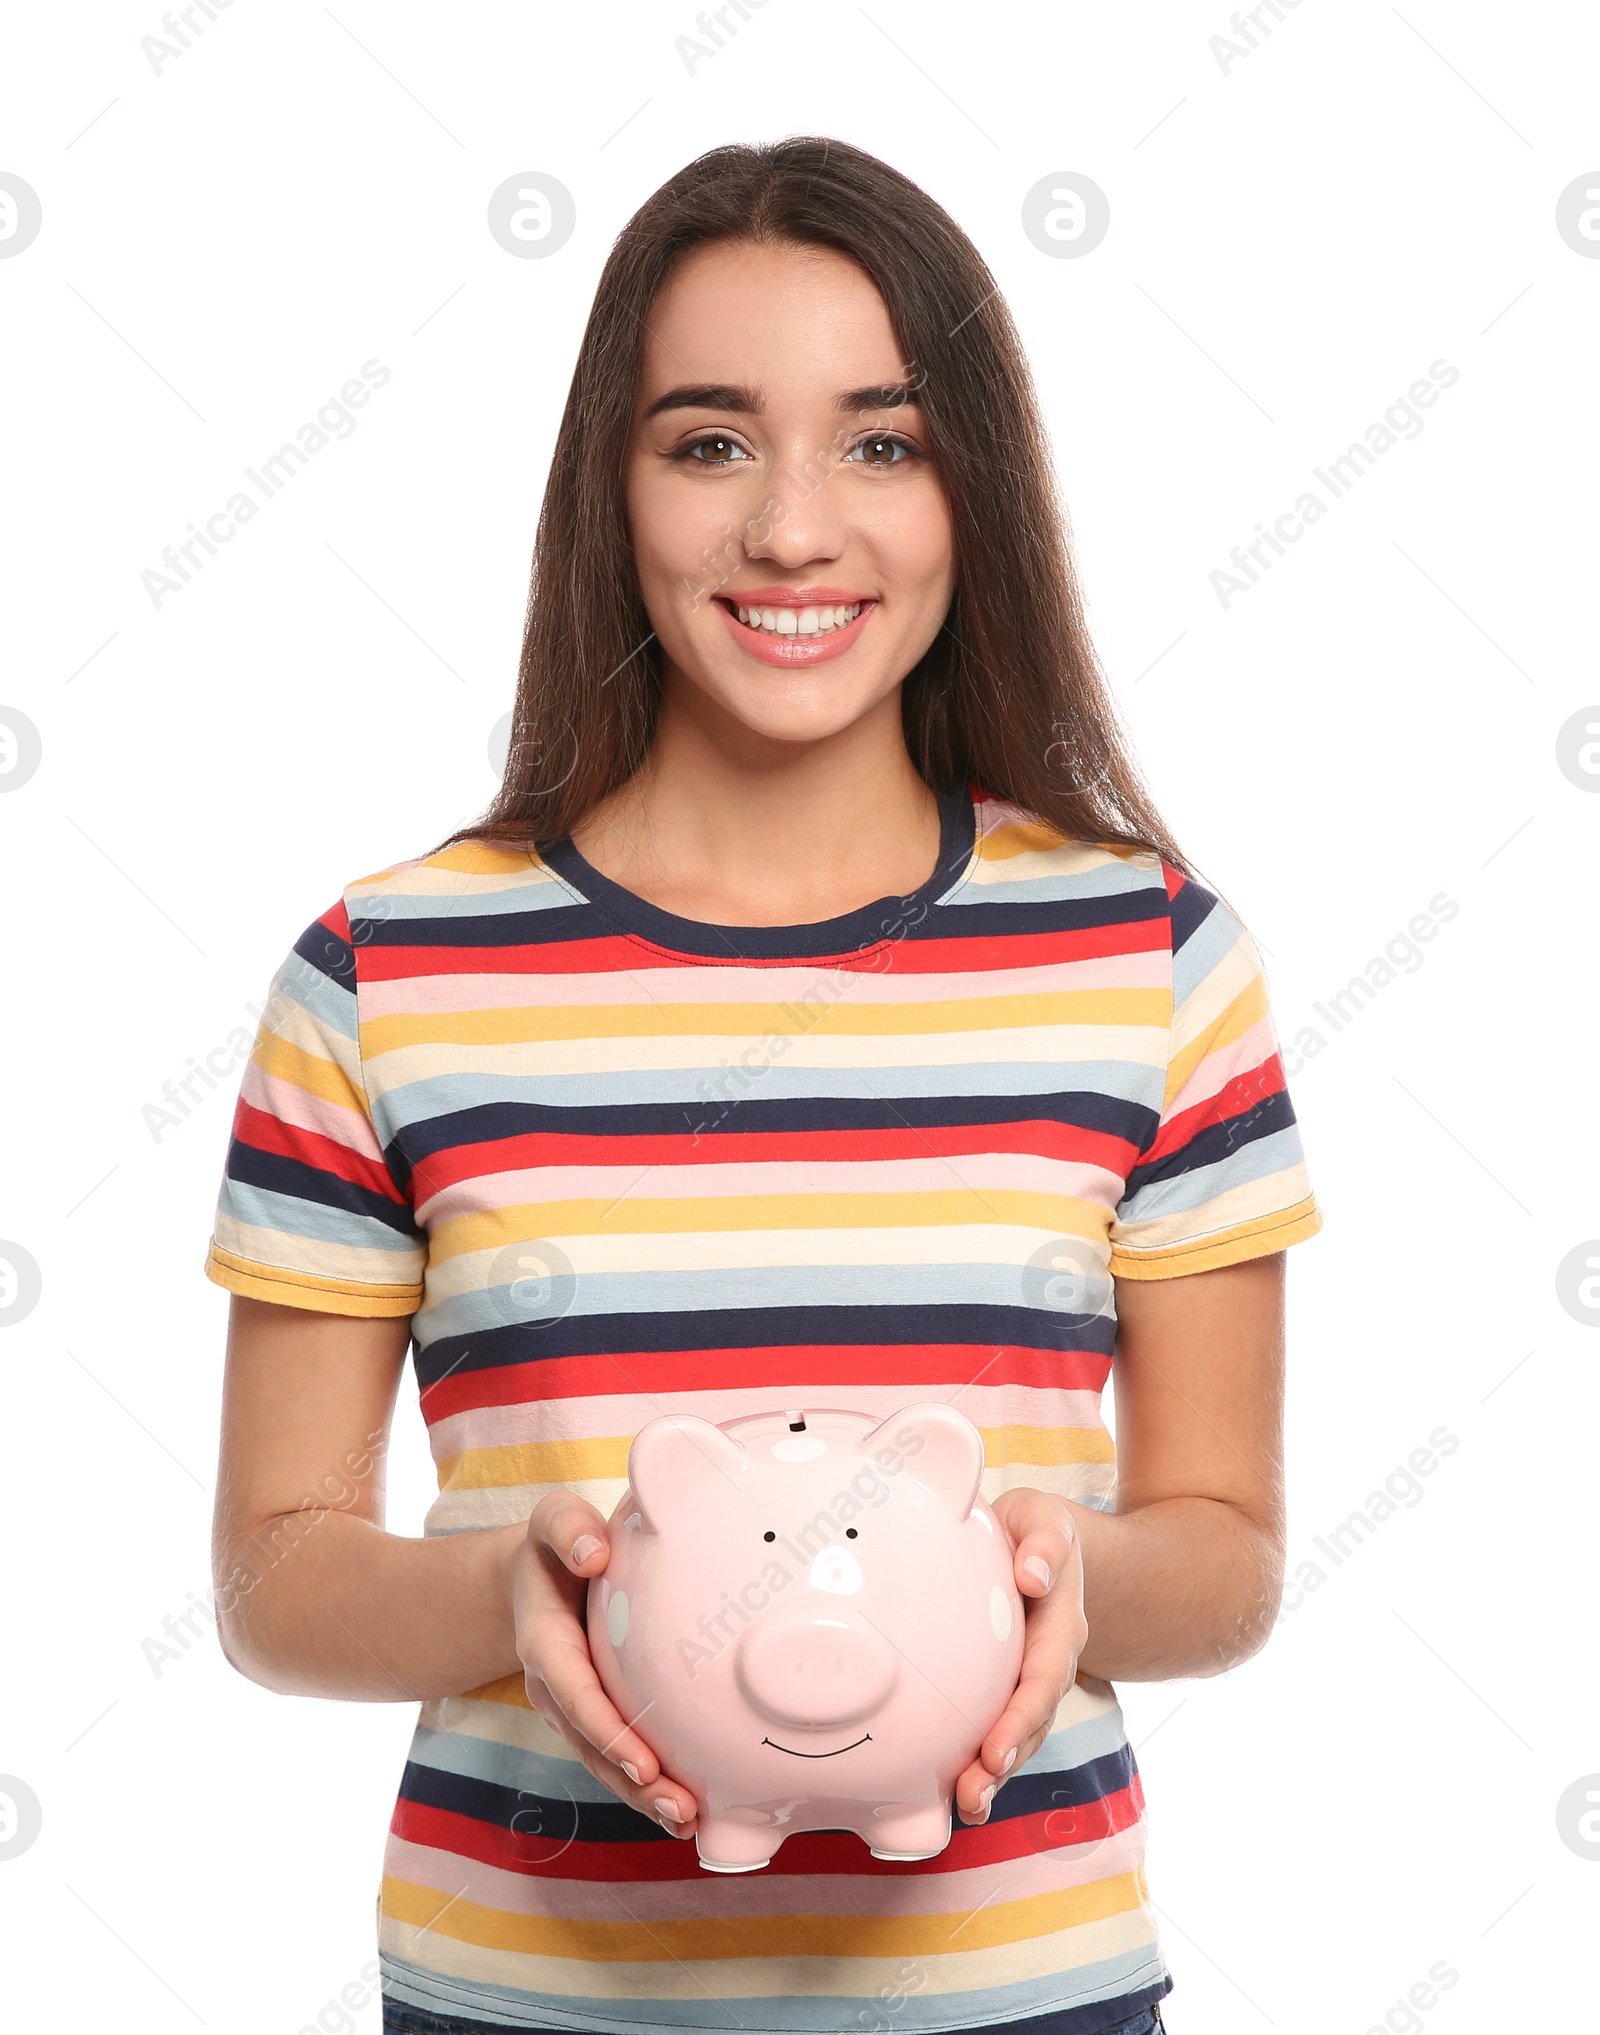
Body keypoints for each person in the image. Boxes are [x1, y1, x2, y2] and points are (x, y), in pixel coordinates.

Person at [207, 137, 1321, 2035]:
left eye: (881, 443)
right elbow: (272, 1570)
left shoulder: (1150, 956)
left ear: (975, 489)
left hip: (1019, 1995)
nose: (794, 530)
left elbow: (1224, 1552)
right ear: (608, 490)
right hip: (521, 1997)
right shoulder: (386, 975)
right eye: (710, 440)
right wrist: (511, 1608)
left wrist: (1063, 1575)